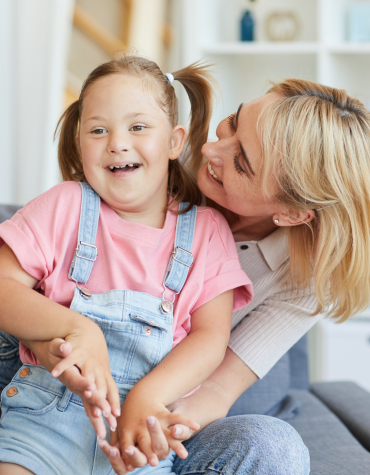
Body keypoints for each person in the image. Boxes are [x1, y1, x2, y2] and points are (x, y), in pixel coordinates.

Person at [0, 55, 253, 474]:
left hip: (141, 434)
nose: (117, 142)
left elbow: (211, 338)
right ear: (80, 143)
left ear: (174, 142)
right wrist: (79, 329)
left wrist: (148, 397)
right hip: (44, 421)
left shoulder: (207, 231)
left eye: (137, 127)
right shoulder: (65, 205)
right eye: (98, 130)